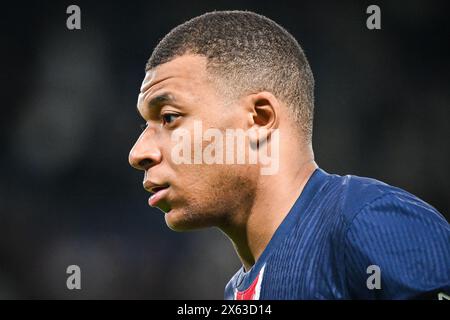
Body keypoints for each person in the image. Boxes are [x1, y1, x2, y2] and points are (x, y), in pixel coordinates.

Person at [128, 10, 450, 299]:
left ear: (260, 119)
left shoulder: (368, 224)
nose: (138, 152)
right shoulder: (236, 292)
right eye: (147, 123)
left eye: (169, 117)